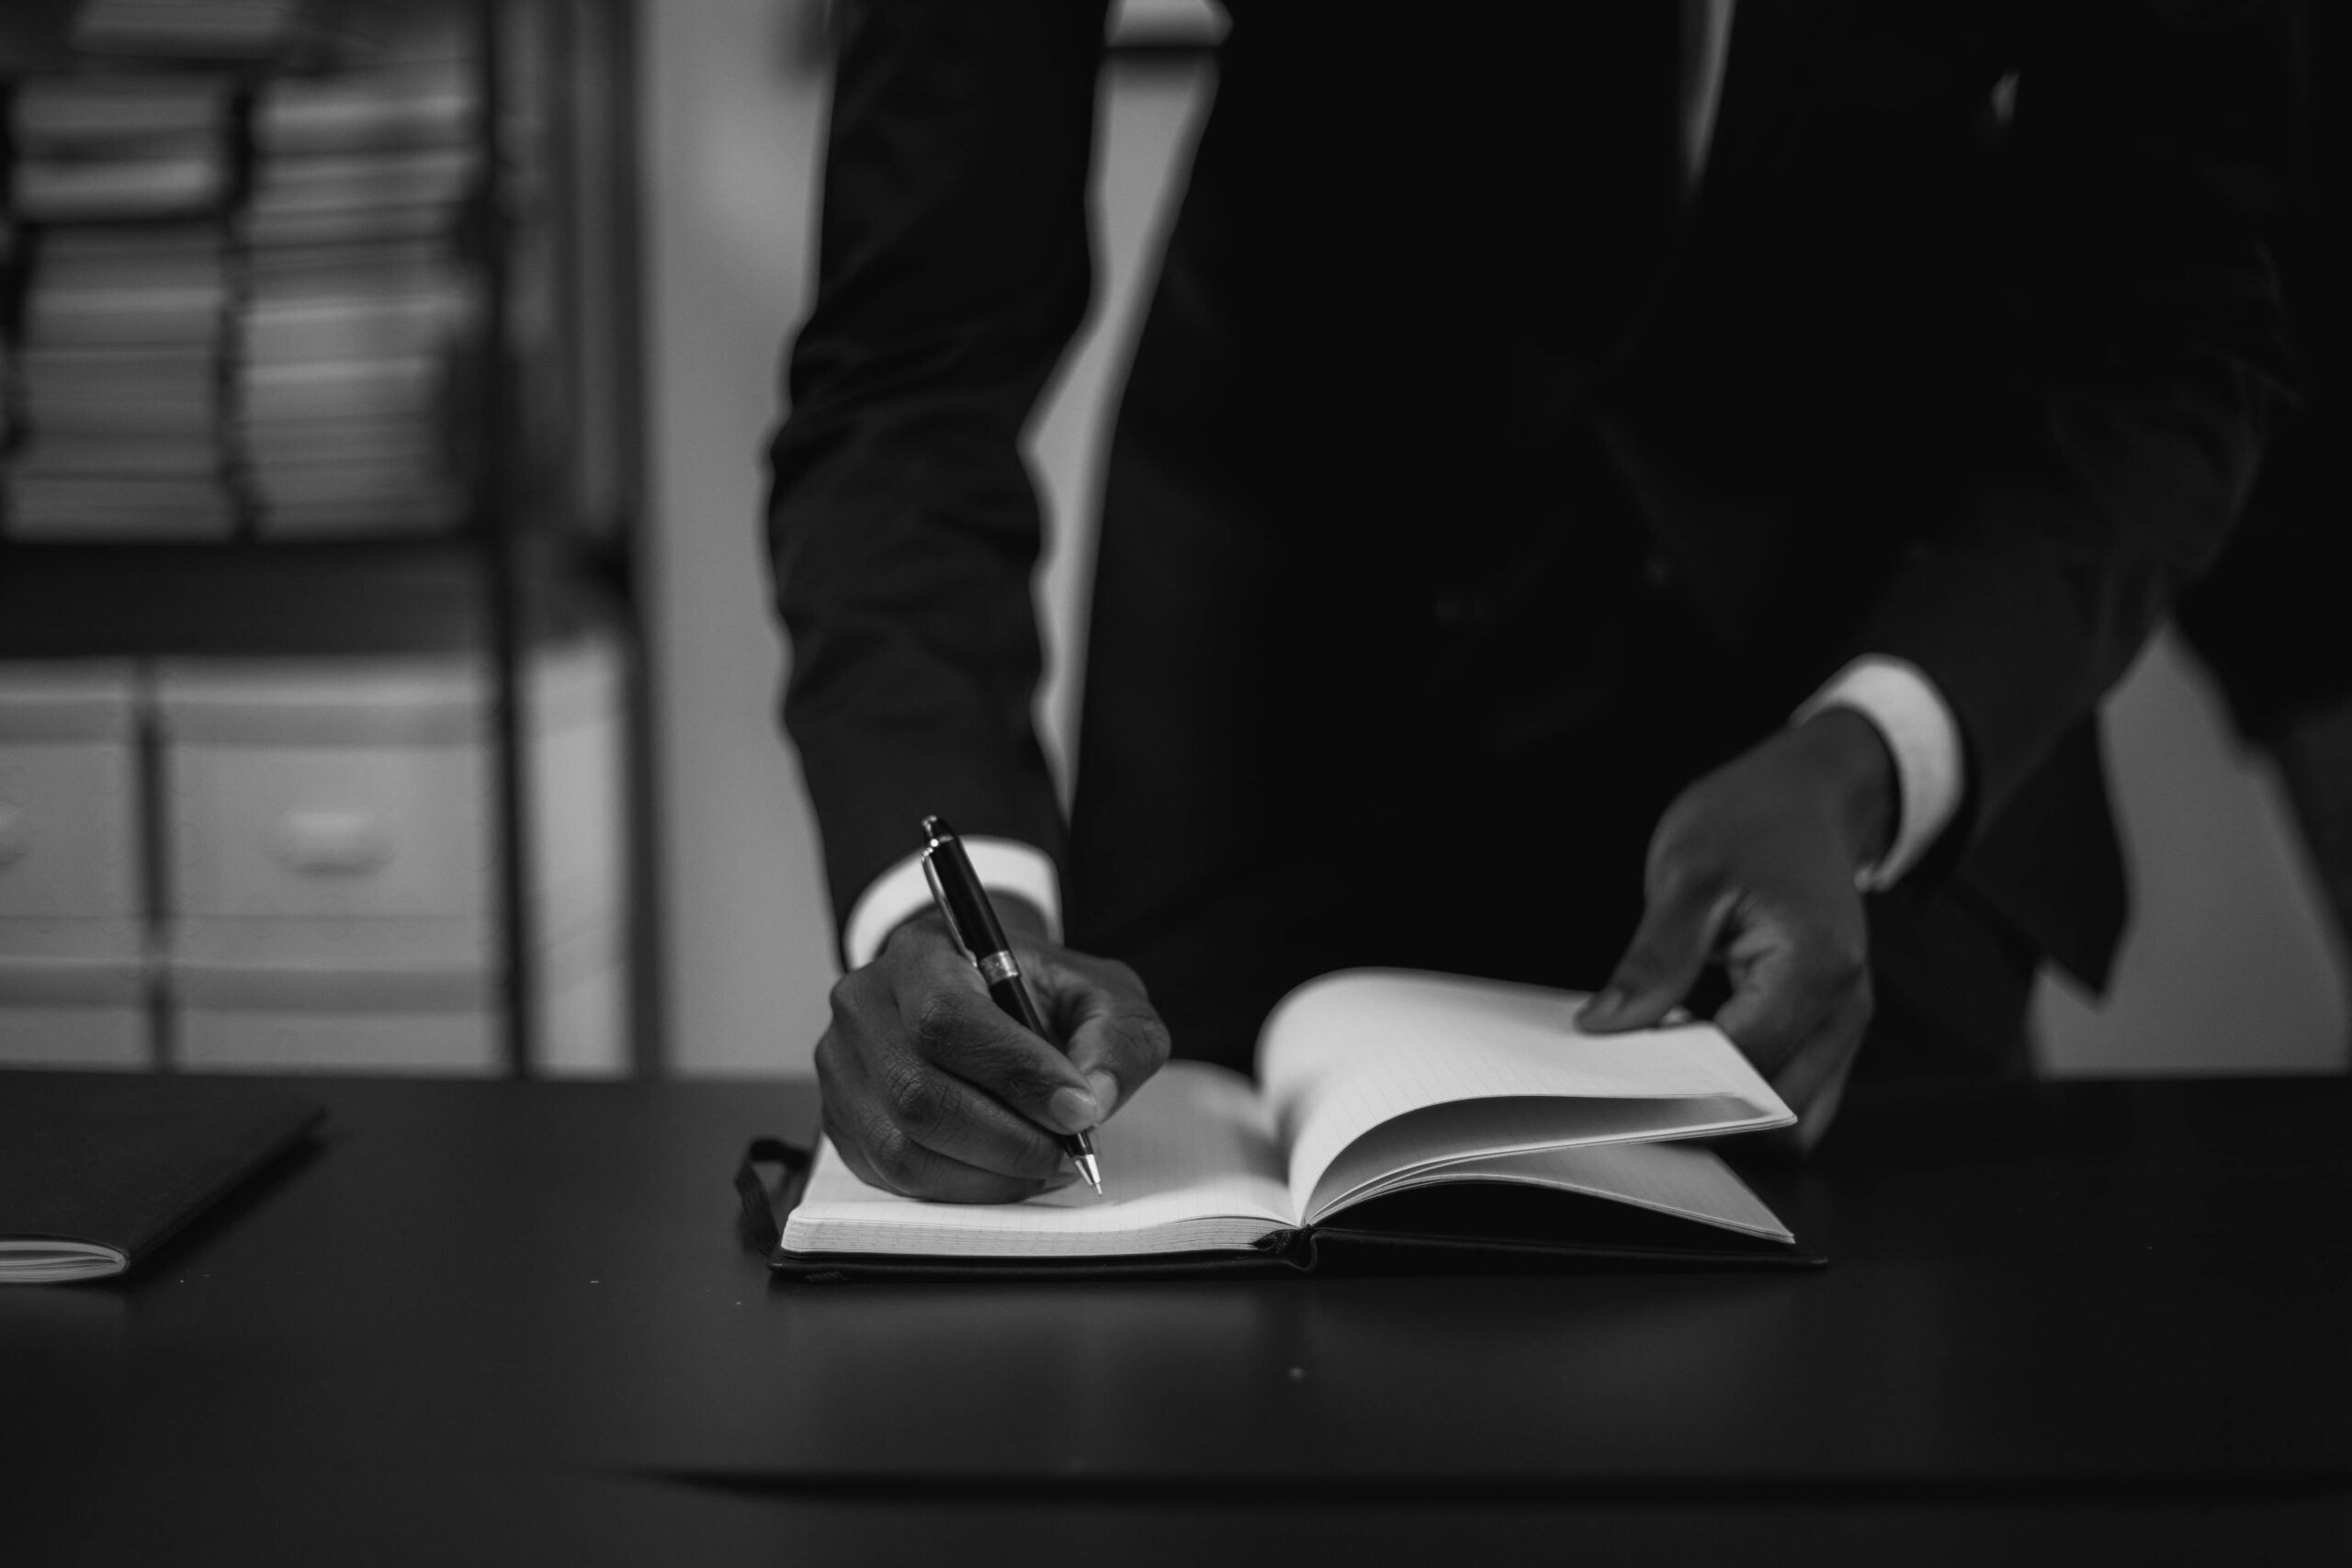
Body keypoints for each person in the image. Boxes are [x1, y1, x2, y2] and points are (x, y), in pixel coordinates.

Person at [766, 3, 2299, 1201]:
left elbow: (2174, 333)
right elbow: (909, 372)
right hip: (1283, 674)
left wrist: (1877, 746)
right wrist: (945, 899)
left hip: (1865, 690)